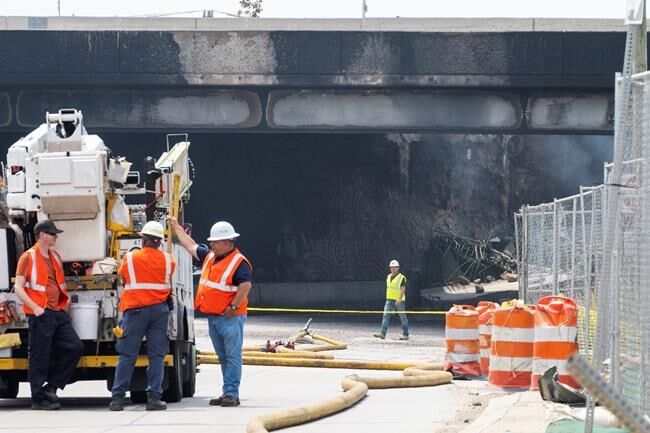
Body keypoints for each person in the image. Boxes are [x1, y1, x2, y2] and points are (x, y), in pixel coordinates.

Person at [170, 217, 252, 407]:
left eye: (215, 241)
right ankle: (227, 392)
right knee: (224, 357)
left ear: (227, 242)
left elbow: (245, 285)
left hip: (230, 318)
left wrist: (233, 307)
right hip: (214, 317)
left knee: (232, 356)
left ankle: (232, 393)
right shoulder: (210, 257)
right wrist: (176, 228)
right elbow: (191, 246)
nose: (211, 244)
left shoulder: (239, 262)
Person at [13, 220, 84, 410]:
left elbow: (58, 284)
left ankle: (51, 387)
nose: (56, 237)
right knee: (39, 356)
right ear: (42, 235)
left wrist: (64, 305)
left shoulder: (55, 256)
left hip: (57, 312)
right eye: (53, 234)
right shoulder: (28, 257)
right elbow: (18, 287)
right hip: (40, 313)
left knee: (75, 347)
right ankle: (38, 399)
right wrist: (35, 308)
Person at [109, 221, 176, 411]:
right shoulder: (169, 260)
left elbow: (123, 276)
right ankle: (154, 398)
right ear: (159, 242)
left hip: (136, 311)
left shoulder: (129, 259)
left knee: (127, 355)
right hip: (159, 312)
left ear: (143, 239)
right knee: (156, 355)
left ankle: (117, 399)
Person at [373, 259, 409, 340]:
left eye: (394, 267)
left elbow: (403, 289)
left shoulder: (401, 277)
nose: (392, 269)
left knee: (403, 317)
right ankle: (382, 333)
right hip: (389, 300)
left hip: (399, 300)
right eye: (391, 267)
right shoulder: (388, 276)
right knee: (385, 316)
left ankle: (406, 334)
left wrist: (399, 299)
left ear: (398, 268)